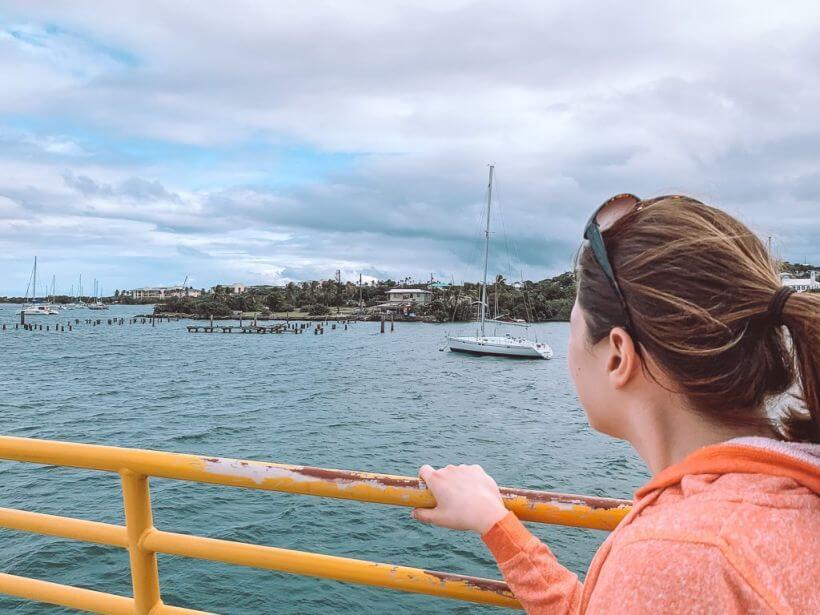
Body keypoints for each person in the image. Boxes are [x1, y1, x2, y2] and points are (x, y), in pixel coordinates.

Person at [413, 195, 819, 613]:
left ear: (618, 356)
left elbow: (659, 586)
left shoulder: (679, 556)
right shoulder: (782, 495)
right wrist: (496, 524)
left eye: (573, 329)